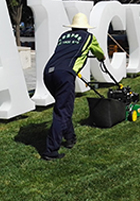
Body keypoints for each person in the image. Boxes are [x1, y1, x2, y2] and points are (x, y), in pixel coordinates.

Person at [42, 13, 105, 161]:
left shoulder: (64, 36)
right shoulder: (89, 37)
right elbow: (99, 53)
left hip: (48, 72)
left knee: (63, 107)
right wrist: (102, 58)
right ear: (86, 27)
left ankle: (70, 138)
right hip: (64, 75)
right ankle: (50, 152)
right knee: (62, 112)